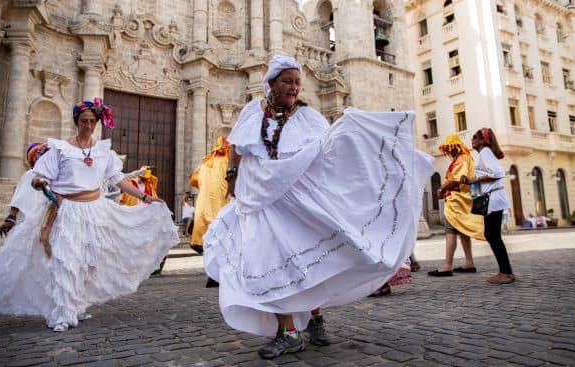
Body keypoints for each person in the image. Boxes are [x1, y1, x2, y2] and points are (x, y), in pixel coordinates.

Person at [203, 55, 434, 359]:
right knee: (266, 261)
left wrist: (355, 130)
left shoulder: (308, 117)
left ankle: (314, 319)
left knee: (303, 261)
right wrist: (232, 177)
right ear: (271, 83)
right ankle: (287, 332)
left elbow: (329, 152)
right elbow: (236, 146)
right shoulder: (252, 111)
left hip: (295, 203)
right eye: (288, 81)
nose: (295, 87)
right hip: (257, 199)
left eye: (298, 82)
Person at [0, 98, 179, 332]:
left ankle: (75, 306)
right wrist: (40, 182)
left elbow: (118, 180)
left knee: (87, 262)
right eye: (83, 121)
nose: (87, 125)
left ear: (97, 122)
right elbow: (41, 176)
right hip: (66, 212)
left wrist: (145, 198)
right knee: (65, 260)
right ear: (76, 122)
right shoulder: (60, 149)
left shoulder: (102, 151)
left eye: (92, 121)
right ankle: (61, 314)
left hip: (95, 211)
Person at [461, 128, 515, 285]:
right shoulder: (486, 152)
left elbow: (497, 173)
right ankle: (506, 271)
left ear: (483, 140)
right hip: (494, 198)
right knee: (493, 235)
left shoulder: (485, 152)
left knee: (493, 236)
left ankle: (505, 272)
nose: (472, 139)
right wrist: (472, 179)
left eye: (475, 137)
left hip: (494, 198)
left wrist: (473, 180)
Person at [428, 135, 485, 277]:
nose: (449, 151)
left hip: (456, 202)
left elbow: (455, 179)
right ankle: (469, 263)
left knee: (450, 231)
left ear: (456, 147)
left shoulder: (461, 159)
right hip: (463, 200)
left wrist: (441, 189)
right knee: (463, 231)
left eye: (451, 148)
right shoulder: (466, 158)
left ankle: (447, 266)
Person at [0, 142, 51, 238]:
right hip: (29, 223)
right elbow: (20, 197)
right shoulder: (30, 174)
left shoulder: (51, 176)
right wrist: (11, 218)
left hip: (46, 224)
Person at [188, 136, 231, 255]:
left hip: (204, 205)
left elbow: (194, 180)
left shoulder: (205, 163)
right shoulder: (228, 162)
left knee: (208, 237)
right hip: (222, 203)